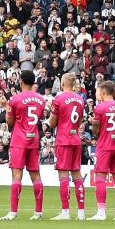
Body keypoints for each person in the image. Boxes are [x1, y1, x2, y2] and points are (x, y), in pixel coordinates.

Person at [2, 69, 47, 220]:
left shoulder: (15, 99)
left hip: (19, 140)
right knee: (36, 176)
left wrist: (6, 107)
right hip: (33, 139)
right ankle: (38, 212)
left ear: (21, 81)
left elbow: (10, 121)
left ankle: (13, 212)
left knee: (16, 175)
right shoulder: (41, 99)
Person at [48, 72, 87, 220]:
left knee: (63, 176)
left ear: (63, 83)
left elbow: (52, 123)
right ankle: (81, 212)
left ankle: (65, 212)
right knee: (77, 175)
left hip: (63, 139)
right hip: (76, 138)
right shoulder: (80, 99)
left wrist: (48, 120)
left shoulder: (58, 98)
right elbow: (80, 119)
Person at [90, 80, 115, 221]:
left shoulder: (100, 108)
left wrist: (95, 132)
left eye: (98, 91)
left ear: (104, 92)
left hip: (104, 145)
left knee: (100, 177)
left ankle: (101, 212)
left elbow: (95, 128)